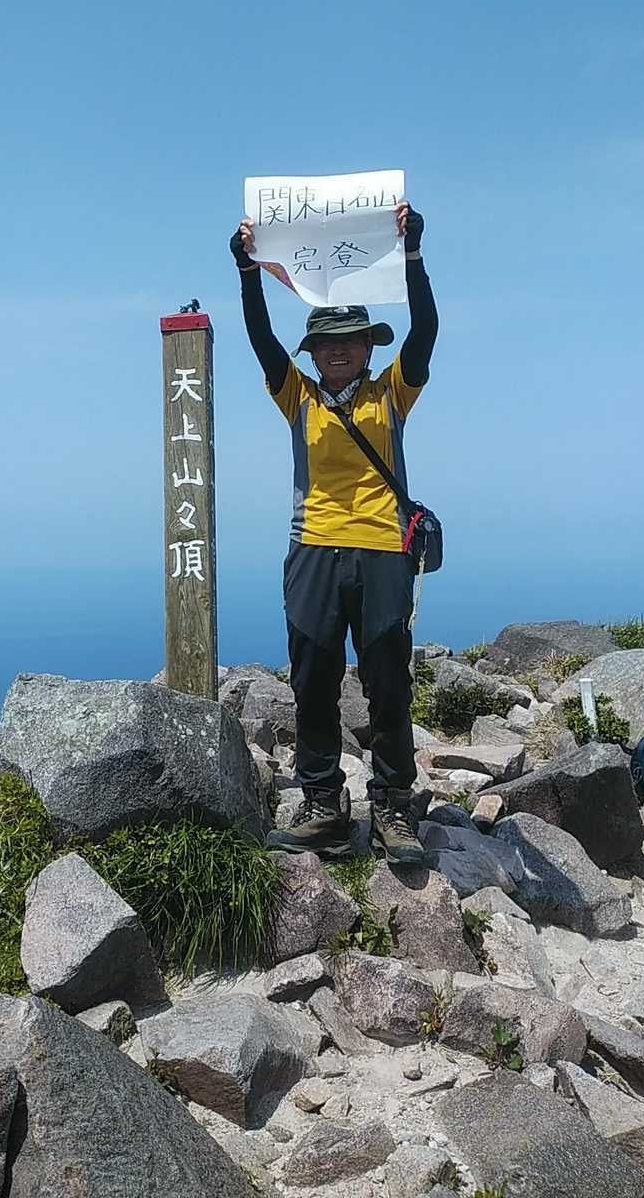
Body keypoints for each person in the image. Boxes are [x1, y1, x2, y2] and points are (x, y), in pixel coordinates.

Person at [230, 203, 438, 864]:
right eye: (327, 341)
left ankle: (394, 806)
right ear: (314, 352)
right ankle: (323, 804)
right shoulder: (297, 396)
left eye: (351, 339)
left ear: (369, 347)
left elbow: (426, 331)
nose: (340, 349)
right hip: (314, 549)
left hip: (382, 550)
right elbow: (261, 337)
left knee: (388, 685)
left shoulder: (391, 394)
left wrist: (413, 255)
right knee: (313, 681)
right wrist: (247, 272)